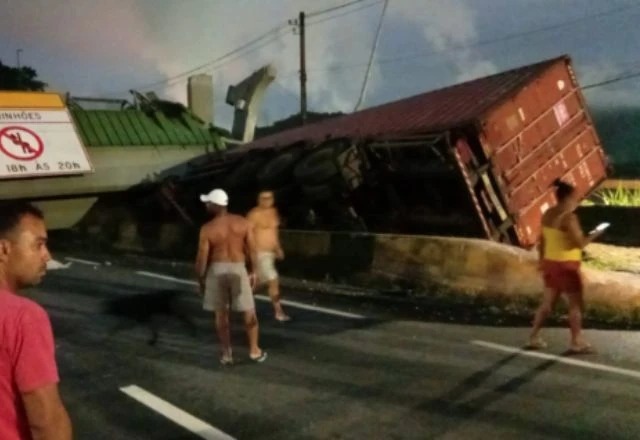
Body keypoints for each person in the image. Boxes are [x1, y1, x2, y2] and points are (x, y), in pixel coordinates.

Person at [0, 201, 72, 440]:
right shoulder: (23, 317)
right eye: (38, 245)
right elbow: (45, 421)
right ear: (4, 249)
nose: (47, 256)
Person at [527, 179, 605, 353]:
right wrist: (595, 234)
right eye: (575, 196)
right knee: (575, 304)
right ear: (568, 197)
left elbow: (543, 241)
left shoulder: (548, 214)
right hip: (567, 266)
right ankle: (576, 341)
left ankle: (533, 337)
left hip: (550, 264)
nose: (577, 200)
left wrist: (542, 261)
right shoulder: (569, 218)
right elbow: (579, 244)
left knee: (547, 303)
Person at [195, 189, 267, 365]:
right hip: (238, 268)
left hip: (216, 271)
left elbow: (202, 258)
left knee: (221, 315)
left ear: (216, 205)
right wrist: (254, 272)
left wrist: (200, 280)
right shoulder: (243, 223)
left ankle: (227, 354)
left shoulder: (207, 229)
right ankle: (254, 351)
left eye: (208, 203)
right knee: (249, 311)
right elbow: (253, 249)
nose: (206, 205)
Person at [246, 190, 291, 322]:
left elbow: (274, 232)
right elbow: (248, 235)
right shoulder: (253, 214)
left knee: (257, 285)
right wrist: (251, 253)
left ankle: (235, 299)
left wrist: (278, 248)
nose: (266, 200)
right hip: (260, 252)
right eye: (263, 198)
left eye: (269, 198)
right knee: (273, 280)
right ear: (258, 200)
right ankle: (278, 312)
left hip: (269, 253)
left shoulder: (273, 212)